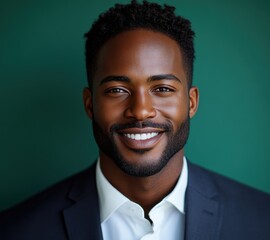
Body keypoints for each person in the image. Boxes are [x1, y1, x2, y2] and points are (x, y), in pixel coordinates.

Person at [0, 0, 269, 239]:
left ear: (191, 102)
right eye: (117, 90)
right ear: (90, 103)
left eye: (162, 89)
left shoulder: (262, 220)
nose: (140, 111)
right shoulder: (15, 230)